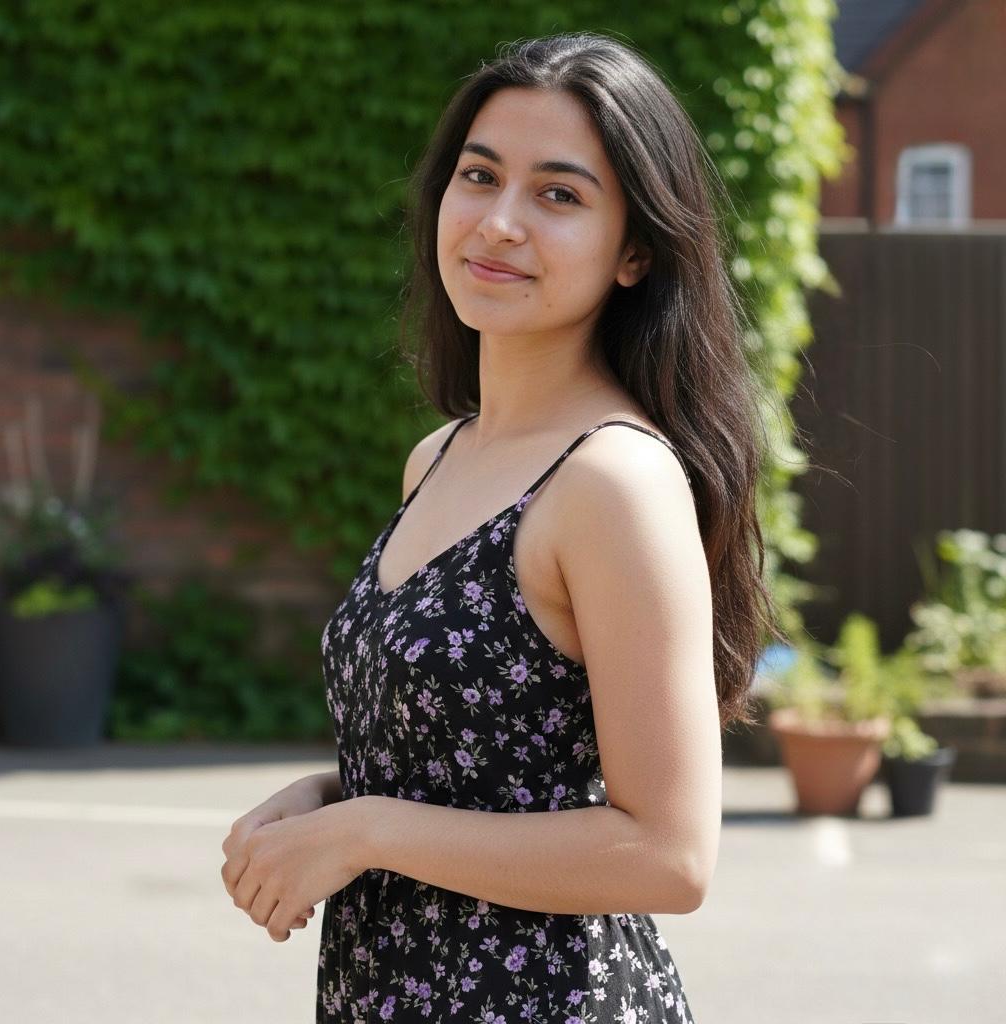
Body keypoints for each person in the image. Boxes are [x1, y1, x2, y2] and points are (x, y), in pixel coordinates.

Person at [221, 30, 783, 1023]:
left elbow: (671, 852)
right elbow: (478, 771)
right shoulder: (440, 456)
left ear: (635, 252)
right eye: (478, 177)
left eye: (559, 195)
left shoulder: (613, 479)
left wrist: (369, 830)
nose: (499, 222)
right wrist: (327, 803)